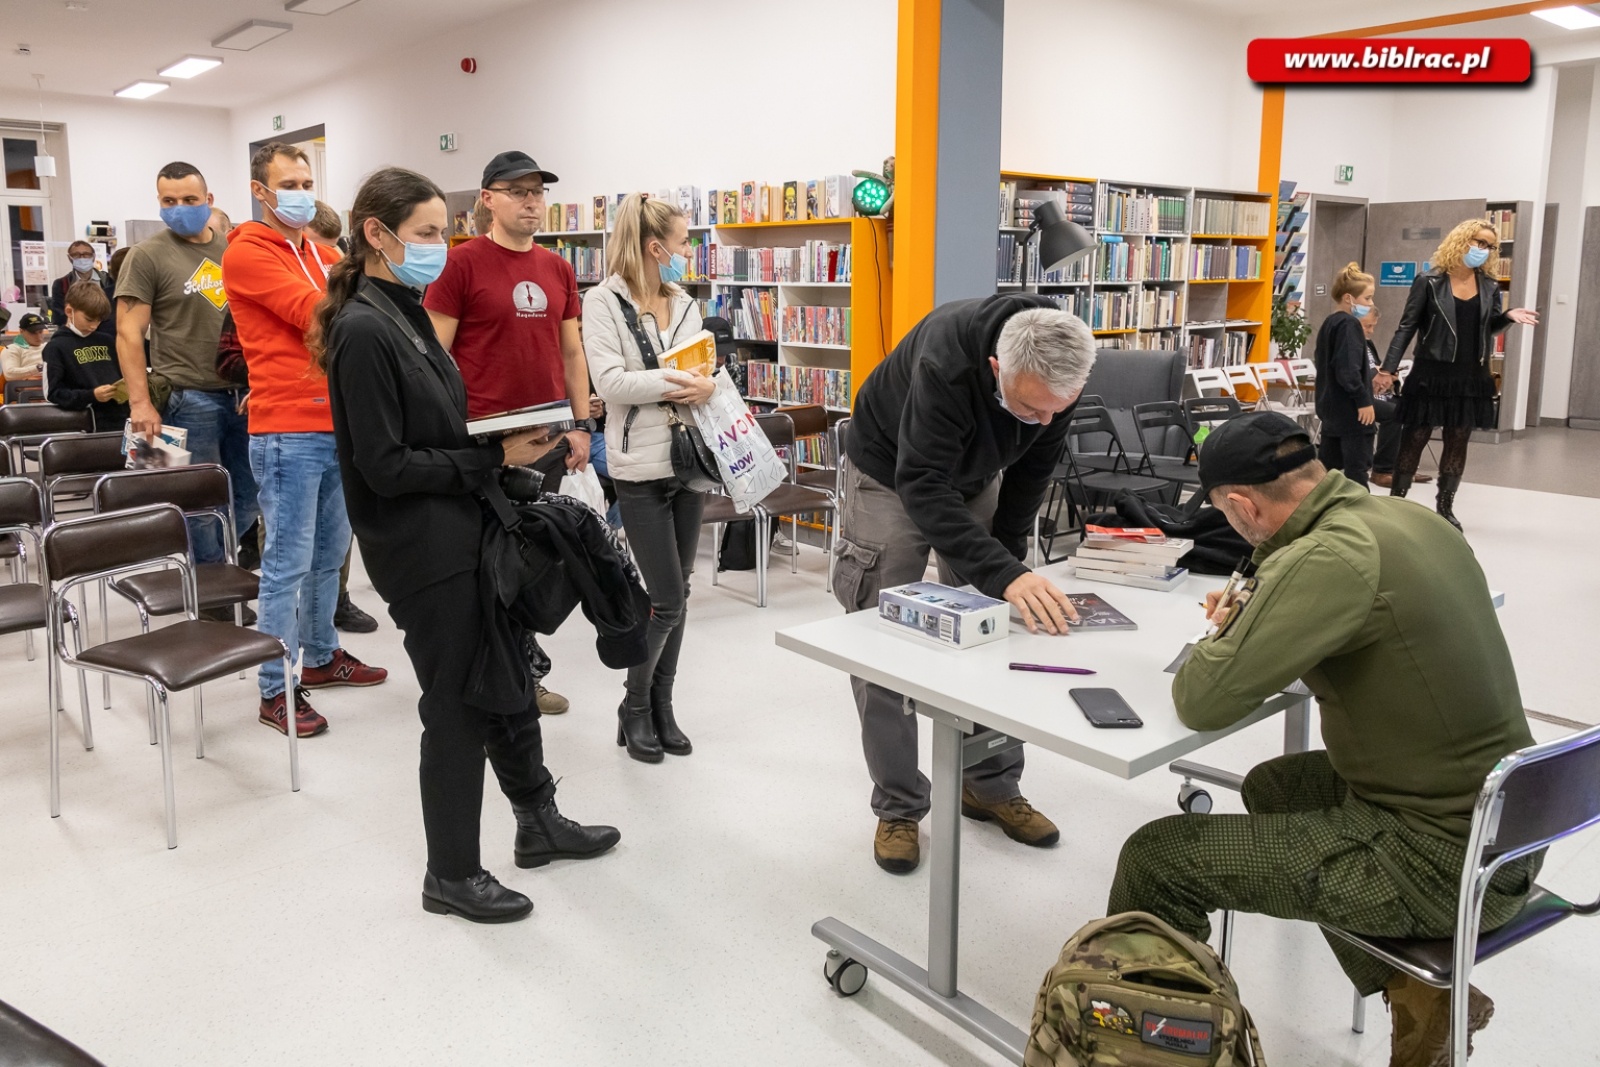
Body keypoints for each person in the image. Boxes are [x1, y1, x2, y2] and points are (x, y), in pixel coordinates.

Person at [1106, 412, 1539, 1067]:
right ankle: (1419, 993)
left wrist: (1224, 634)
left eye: (1227, 517)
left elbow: (1203, 697)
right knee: (1274, 783)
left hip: (1440, 860)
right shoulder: (1406, 516)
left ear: (1244, 505)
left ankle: (1156, 1051)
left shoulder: (1328, 554)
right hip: (1508, 822)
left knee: (1155, 856)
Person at [320, 166, 619, 923]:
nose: (438, 248)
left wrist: (505, 440)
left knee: (509, 671)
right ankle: (450, 872)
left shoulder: (409, 313)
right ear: (377, 235)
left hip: (464, 519)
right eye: (424, 235)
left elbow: (438, 427)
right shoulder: (362, 329)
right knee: (456, 702)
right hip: (419, 546)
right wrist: (496, 458)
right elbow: (383, 467)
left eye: (440, 233)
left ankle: (537, 821)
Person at [836, 295, 1093, 874]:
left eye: (1059, 411)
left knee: (996, 629)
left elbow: (1032, 474)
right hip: (891, 472)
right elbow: (922, 483)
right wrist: (1005, 574)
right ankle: (900, 804)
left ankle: (992, 785)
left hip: (974, 476)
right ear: (997, 370)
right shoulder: (946, 360)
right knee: (880, 636)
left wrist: (1007, 568)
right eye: (1032, 409)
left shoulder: (1058, 371)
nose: (1046, 422)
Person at [223, 141, 389, 738]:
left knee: (328, 559)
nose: (299, 191)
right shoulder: (246, 253)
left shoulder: (319, 250)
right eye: (286, 183)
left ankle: (320, 657)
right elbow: (318, 312)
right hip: (287, 429)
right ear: (261, 192)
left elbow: (363, 298)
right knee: (285, 565)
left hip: (338, 424)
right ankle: (275, 687)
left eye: (305, 180)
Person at [424, 150, 596, 717]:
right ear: (488, 199)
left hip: (546, 434)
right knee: (485, 565)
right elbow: (434, 356)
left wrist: (578, 423)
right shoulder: (461, 264)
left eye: (538, 191)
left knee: (531, 562)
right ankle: (489, 673)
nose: (531, 200)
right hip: (482, 440)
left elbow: (572, 352)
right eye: (517, 190)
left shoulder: (557, 268)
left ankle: (525, 671)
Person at [581, 193, 715, 762]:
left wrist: (705, 383)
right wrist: (679, 379)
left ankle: (662, 704)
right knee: (662, 600)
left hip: (687, 464)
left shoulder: (685, 302)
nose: (690, 252)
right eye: (684, 242)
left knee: (680, 593)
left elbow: (705, 369)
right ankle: (633, 707)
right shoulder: (602, 302)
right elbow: (610, 384)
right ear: (655, 247)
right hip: (638, 468)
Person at [115, 161, 258, 568]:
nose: (179, 207)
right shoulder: (146, 256)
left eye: (190, 200)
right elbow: (128, 334)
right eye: (169, 200)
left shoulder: (235, 250)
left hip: (244, 395)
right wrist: (140, 403)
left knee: (248, 498)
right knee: (192, 501)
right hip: (184, 398)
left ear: (209, 201)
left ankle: (217, 570)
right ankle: (211, 591)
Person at [1375, 218, 1538, 531]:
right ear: (1462, 240)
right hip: (1431, 372)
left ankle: (1445, 506)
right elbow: (1407, 326)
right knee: (1415, 437)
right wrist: (1388, 368)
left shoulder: (1489, 285)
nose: (1483, 250)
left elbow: (1489, 327)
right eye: (1479, 242)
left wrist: (1507, 318)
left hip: (1470, 375)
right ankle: (1397, 502)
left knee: (1457, 440)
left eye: (1489, 246)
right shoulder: (1429, 280)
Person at [1311, 262, 1377, 487]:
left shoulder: (1330, 322)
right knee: (1357, 473)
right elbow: (1348, 370)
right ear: (1349, 298)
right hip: (1350, 412)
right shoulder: (1349, 325)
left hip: (1331, 410)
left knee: (1327, 472)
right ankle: (1361, 517)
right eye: (1367, 298)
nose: (1370, 304)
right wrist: (1363, 400)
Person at [1362, 304, 1432, 490]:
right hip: (1358, 397)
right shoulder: (1348, 341)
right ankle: (1382, 470)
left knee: (1417, 410)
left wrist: (1388, 378)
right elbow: (1352, 374)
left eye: (1373, 326)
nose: (1371, 331)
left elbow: (1375, 369)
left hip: (1375, 393)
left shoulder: (1367, 344)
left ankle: (1404, 465)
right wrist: (1375, 378)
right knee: (1395, 413)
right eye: (1367, 326)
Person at [42, 281, 126, 431]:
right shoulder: (56, 347)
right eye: (89, 319)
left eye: (99, 321)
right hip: (85, 424)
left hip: (120, 418)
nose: (94, 326)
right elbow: (53, 393)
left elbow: (120, 374)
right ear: (69, 311)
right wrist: (91, 395)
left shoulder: (107, 340)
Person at [48, 240, 115, 324]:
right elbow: (59, 316)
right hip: (75, 333)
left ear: (93, 257)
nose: (82, 258)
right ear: (70, 258)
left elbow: (113, 311)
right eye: (76, 255)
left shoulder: (108, 280)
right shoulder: (61, 284)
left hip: (105, 330)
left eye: (86, 254)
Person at [3, 313, 47, 379]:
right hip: (26, 387)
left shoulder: (49, 347)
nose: (38, 337)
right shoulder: (12, 349)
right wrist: (40, 367)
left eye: (40, 332)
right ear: (21, 331)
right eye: (33, 333)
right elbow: (10, 374)